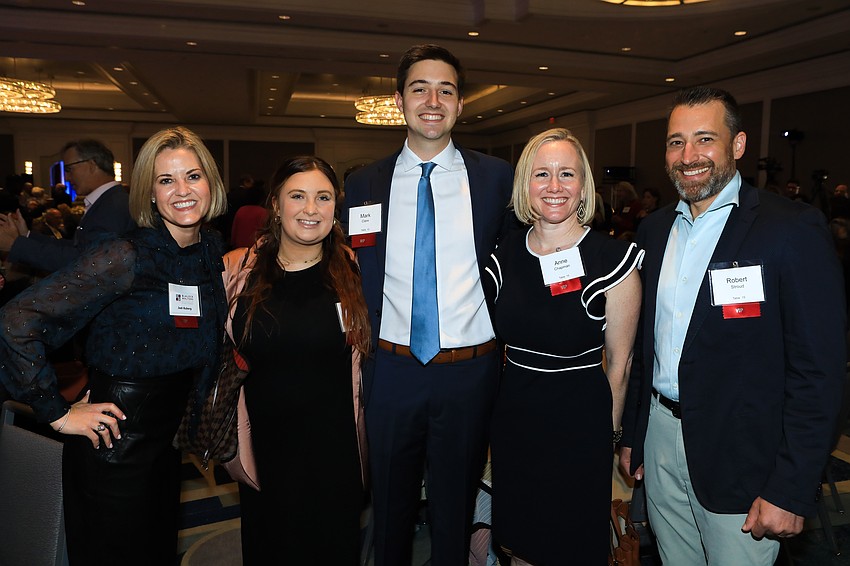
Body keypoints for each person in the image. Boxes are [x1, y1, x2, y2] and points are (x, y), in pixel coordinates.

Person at [619, 86, 846, 566]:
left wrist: (792, 485)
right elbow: (647, 344)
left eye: (705, 139)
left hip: (744, 454)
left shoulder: (790, 228)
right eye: (676, 142)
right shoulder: (654, 230)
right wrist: (635, 436)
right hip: (660, 440)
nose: (689, 156)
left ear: (737, 145)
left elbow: (818, 373)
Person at [0, 126, 229, 565]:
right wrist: (58, 412)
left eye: (193, 176)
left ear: (211, 184)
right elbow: (16, 320)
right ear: (149, 192)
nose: (182, 190)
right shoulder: (125, 254)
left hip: (165, 447)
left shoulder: (207, 248)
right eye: (166, 180)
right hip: (114, 444)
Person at [342, 44, 514, 565]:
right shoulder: (362, 185)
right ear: (399, 100)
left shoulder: (497, 180)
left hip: (469, 371)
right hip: (391, 369)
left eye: (446, 90)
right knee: (388, 507)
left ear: (462, 104)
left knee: (454, 507)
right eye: (419, 88)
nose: (433, 100)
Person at [482, 128, 643, 565]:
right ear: (525, 185)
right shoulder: (502, 255)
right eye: (542, 174)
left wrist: (605, 435)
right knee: (519, 541)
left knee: (571, 546)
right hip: (514, 421)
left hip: (580, 424)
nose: (554, 186)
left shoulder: (615, 261)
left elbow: (622, 363)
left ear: (584, 185)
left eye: (567, 174)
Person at [224, 156, 369, 565]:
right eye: (297, 196)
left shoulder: (357, 270)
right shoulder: (236, 271)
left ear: (335, 208)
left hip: (335, 451)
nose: (310, 209)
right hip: (265, 450)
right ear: (275, 204)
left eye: (323, 197)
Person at [0, 139, 136, 273]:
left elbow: (87, 263)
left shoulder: (113, 206)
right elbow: (77, 248)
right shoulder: (109, 200)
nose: (67, 177)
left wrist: (15, 245)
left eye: (69, 169)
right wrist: (27, 235)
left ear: (92, 165)